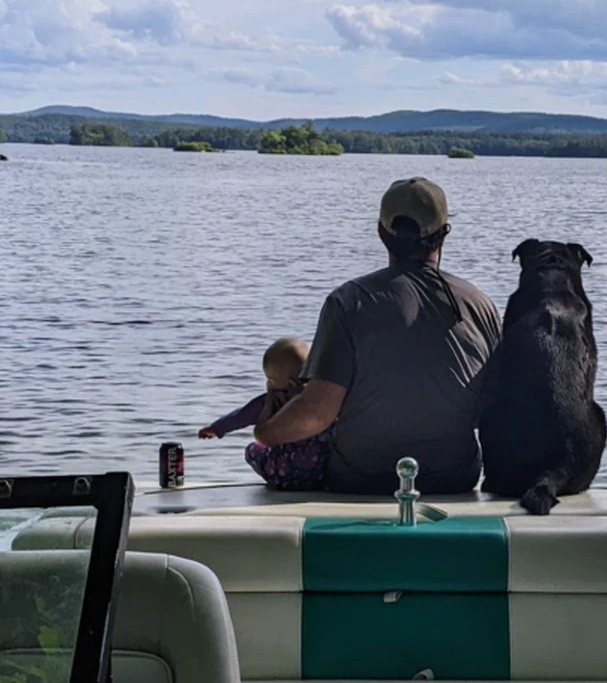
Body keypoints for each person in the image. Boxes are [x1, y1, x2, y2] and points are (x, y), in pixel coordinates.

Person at [253, 177, 502, 494]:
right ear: (443, 235)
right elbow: (492, 410)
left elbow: (316, 414)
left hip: (360, 480)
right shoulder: (480, 305)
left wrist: (265, 433)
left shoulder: (347, 302)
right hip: (454, 480)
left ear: (381, 232)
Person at [198, 337, 331, 490]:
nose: (268, 383)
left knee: (252, 449)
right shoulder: (322, 396)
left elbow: (242, 416)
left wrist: (216, 428)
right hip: (321, 472)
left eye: (270, 379)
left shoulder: (273, 399)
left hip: (283, 474)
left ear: (288, 383)